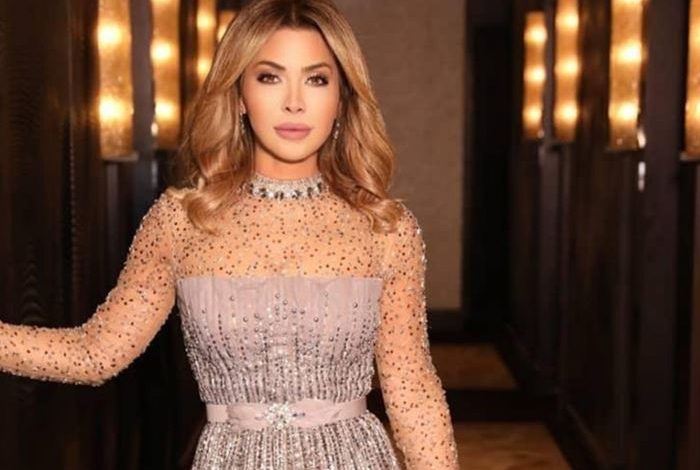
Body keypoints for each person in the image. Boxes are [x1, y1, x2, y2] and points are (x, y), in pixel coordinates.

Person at [0, 0, 460, 468]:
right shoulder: (182, 220)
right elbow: (96, 352)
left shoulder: (384, 227)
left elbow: (412, 391)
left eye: (317, 79)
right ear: (239, 94)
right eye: (270, 77)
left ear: (342, 97)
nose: (295, 102)